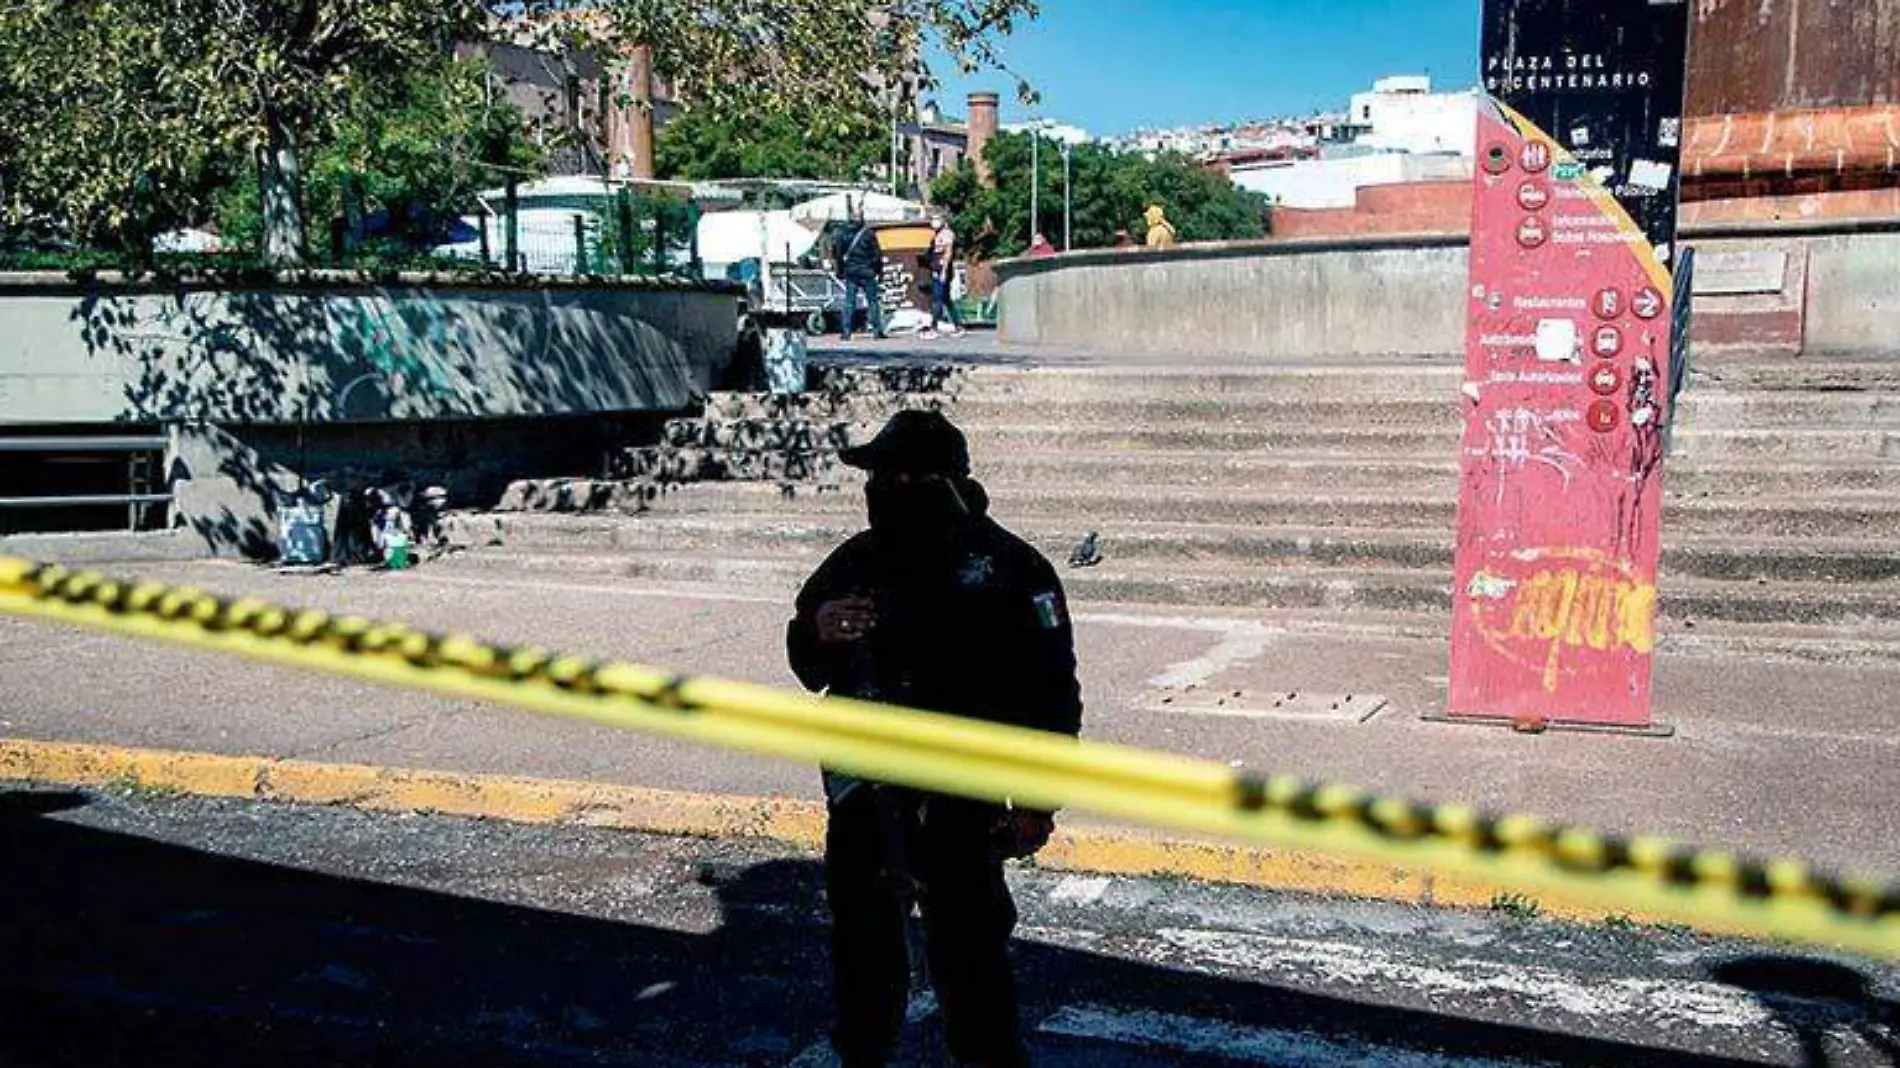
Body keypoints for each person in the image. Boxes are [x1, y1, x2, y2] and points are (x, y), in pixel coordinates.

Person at [787, 410, 1084, 1068]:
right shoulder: (858, 560)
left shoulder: (1009, 568)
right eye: (877, 476)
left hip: (960, 802)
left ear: (943, 481)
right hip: (866, 798)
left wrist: (1037, 801)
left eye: (900, 475)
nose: (884, 488)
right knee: (865, 963)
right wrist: (819, 630)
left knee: (972, 969)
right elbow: (808, 654)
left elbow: (1051, 694)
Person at [832, 206, 888, 341]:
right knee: (873, 301)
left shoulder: (842, 234)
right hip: (867, 271)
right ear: (862, 218)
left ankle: (846, 332)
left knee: (849, 302)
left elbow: (838, 255)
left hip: (851, 271)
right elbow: (877, 254)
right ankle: (876, 331)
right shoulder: (869, 233)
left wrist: (840, 271)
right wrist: (879, 271)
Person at [922, 214, 964, 339]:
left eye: (936, 219)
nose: (933, 222)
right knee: (946, 299)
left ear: (942, 221)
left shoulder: (947, 234)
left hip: (942, 270)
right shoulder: (937, 234)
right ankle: (958, 326)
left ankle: (933, 328)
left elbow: (948, 252)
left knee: (937, 299)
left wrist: (944, 271)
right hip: (937, 269)